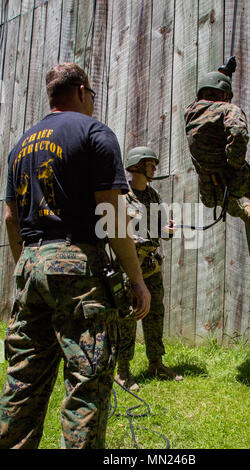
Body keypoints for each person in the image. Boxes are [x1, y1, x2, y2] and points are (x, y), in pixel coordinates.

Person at [0, 63, 150, 449]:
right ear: (83, 91)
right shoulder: (94, 133)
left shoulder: (21, 146)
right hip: (77, 267)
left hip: (30, 265)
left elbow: (11, 218)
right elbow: (112, 216)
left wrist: (25, 268)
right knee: (86, 382)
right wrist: (136, 280)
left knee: (22, 383)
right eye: (93, 97)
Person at [184, 71, 250, 267]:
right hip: (232, 177)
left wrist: (222, 74)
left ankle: (242, 212)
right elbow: (238, 133)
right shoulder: (227, 109)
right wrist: (235, 165)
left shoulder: (189, 113)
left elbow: (204, 102)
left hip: (209, 190)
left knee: (225, 200)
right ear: (224, 94)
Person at [115, 146, 183, 392]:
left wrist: (169, 230)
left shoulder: (155, 197)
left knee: (155, 314)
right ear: (136, 165)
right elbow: (117, 234)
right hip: (130, 269)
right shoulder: (121, 197)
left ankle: (156, 363)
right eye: (150, 163)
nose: (154, 167)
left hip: (152, 268)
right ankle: (122, 371)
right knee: (129, 317)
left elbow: (163, 230)